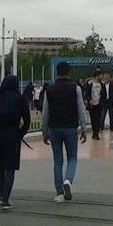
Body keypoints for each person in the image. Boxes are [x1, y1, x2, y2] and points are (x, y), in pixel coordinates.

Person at [41, 62, 88, 203]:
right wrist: (84, 128)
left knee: (57, 161)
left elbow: (45, 113)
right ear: (69, 72)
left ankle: (59, 192)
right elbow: (81, 109)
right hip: (70, 127)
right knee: (72, 157)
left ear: (57, 72)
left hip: (54, 128)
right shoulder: (76, 88)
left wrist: (44, 131)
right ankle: (68, 180)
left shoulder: (49, 90)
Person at [0, 75, 31, 211]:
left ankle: (1, 195)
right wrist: (21, 133)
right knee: (10, 167)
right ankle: (6, 198)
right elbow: (27, 119)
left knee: (0, 166)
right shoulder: (20, 99)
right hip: (13, 134)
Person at [87, 72, 107, 140]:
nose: (102, 77)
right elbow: (87, 93)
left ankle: (96, 134)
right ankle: (94, 132)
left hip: (99, 104)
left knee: (98, 118)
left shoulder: (102, 84)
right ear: (96, 76)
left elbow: (104, 94)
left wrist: (102, 101)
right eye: (101, 75)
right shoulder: (90, 84)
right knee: (93, 119)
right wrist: (89, 100)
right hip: (92, 104)